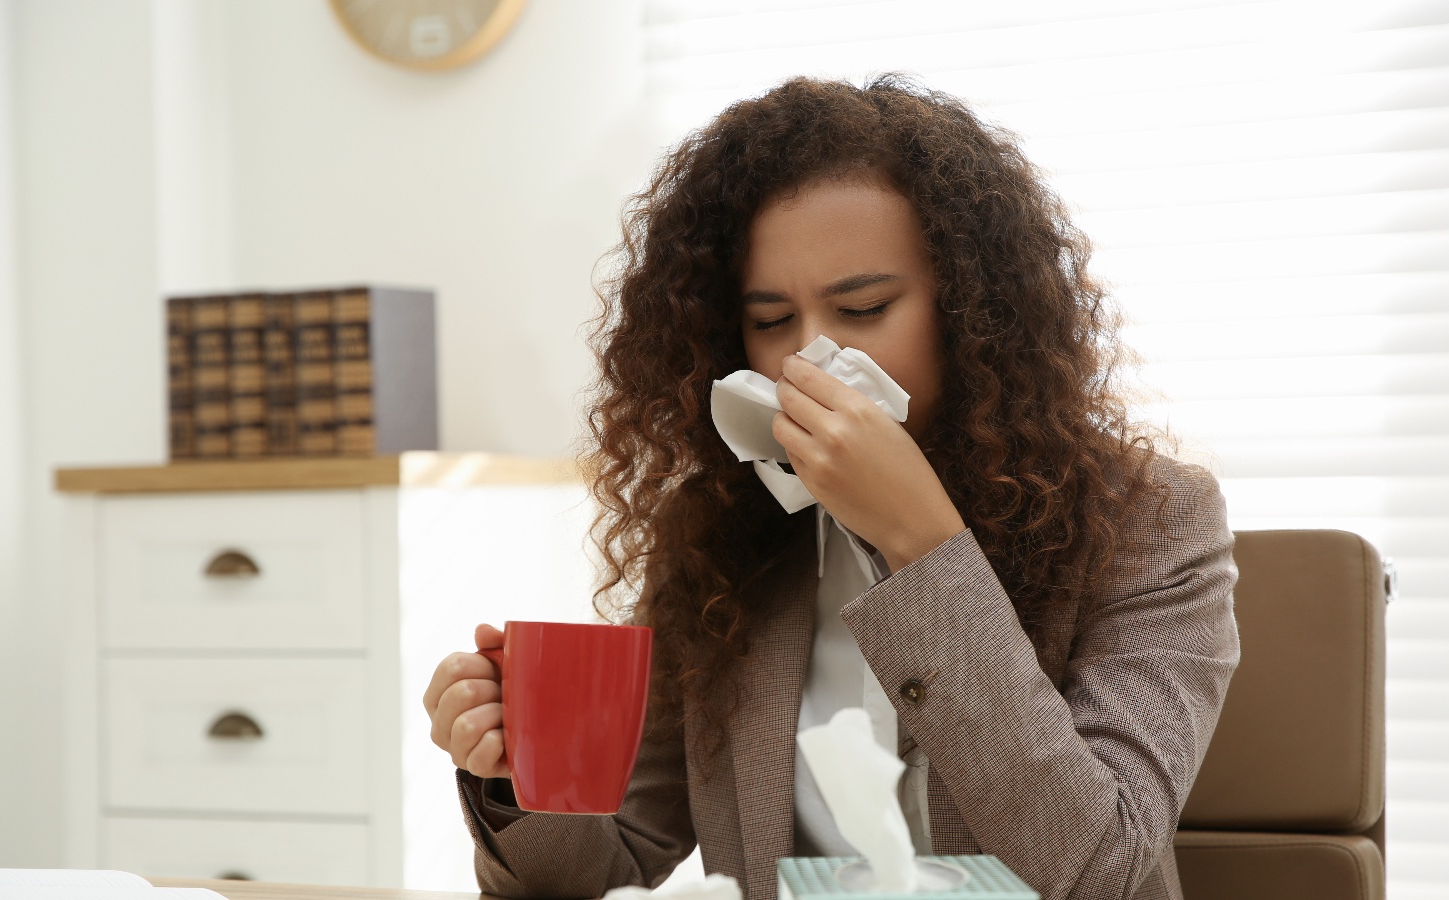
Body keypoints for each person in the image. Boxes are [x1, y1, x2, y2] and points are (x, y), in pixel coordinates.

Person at [422, 74, 1240, 900]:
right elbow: (618, 857)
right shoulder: (716, 538)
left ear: (969, 310)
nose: (810, 359)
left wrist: (922, 544)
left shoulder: (1154, 519)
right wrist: (512, 773)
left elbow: (1099, 869)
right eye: (772, 323)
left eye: (864, 307)